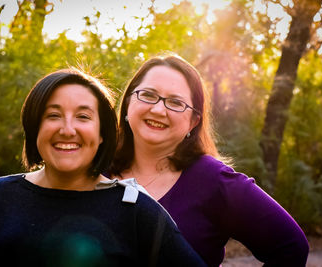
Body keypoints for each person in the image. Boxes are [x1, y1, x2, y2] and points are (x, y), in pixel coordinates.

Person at [0, 68, 207, 267]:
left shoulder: (137, 211)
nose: (67, 130)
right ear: (35, 128)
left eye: (83, 116)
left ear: (102, 133)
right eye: (53, 115)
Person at [109, 54, 310, 266]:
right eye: (148, 95)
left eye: (176, 102)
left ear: (193, 122)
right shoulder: (94, 169)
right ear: (129, 101)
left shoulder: (214, 182)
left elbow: (291, 246)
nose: (158, 110)